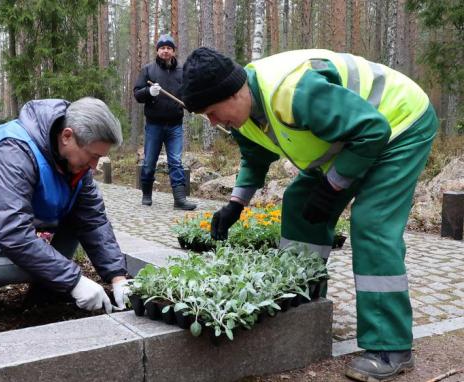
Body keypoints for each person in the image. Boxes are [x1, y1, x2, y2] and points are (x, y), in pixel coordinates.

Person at [180, 47, 437, 381]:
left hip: (400, 124)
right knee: (300, 201)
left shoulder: (293, 92)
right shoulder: (243, 113)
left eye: (213, 113)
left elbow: (373, 131)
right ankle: (304, 298)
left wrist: (331, 188)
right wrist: (235, 205)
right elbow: (255, 156)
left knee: (371, 223)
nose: (213, 123)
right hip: (353, 138)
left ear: (234, 91)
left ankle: (391, 346)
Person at [0, 97, 130, 323]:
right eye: (93, 155)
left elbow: (94, 220)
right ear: (67, 136)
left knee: (77, 223)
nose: (95, 166)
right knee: (34, 265)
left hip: (0, 224)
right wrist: (74, 280)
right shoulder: (11, 152)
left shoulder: (74, 163)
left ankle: (46, 292)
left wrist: (118, 277)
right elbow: (14, 236)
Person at [133, 34, 196, 210]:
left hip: (175, 125)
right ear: (157, 50)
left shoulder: (182, 71)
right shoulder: (148, 70)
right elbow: (137, 94)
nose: (165, 51)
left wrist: (191, 104)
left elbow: (188, 94)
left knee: (176, 162)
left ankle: (179, 199)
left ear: (174, 51)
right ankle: (146, 195)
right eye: (162, 48)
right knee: (149, 162)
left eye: (169, 48)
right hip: (154, 125)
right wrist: (148, 92)